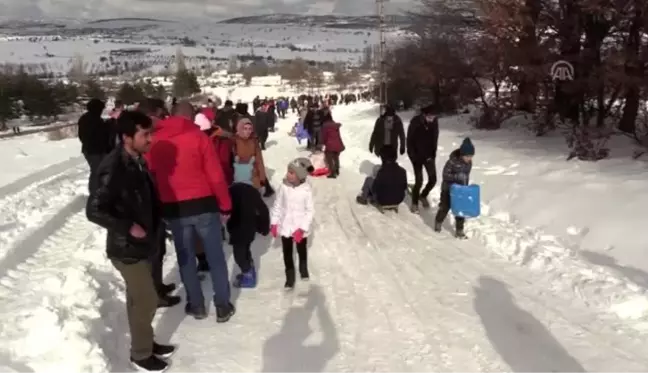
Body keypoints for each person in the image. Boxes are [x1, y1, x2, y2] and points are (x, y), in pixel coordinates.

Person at [85, 111, 175, 372]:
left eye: (150, 133)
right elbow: (94, 210)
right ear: (126, 137)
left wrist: (159, 222)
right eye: (144, 134)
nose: (150, 139)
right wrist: (127, 226)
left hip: (144, 242)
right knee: (146, 299)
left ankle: (145, 341)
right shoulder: (113, 167)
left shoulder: (136, 159)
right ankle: (141, 354)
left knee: (138, 300)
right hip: (126, 248)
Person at [145, 101, 235, 323]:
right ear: (191, 116)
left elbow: (152, 175)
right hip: (204, 204)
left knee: (186, 258)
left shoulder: (155, 140)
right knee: (215, 256)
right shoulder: (199, 137)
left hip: (175, 207)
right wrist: (225, 204)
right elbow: (215, 175)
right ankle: (222, 305)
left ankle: (196, 305)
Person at [137, 98, 180, 308]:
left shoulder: (148, 137)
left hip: (157, 202)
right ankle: (154, 295)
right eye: (161, 115)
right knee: (153, 252)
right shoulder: (142, 140)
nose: (163, 119)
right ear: (151, 115)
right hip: (148, 207)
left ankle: (158, 286)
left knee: (159, 250)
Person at [270, 158, 315, 289]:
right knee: (287, 252)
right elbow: (278, 205)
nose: (288, 174)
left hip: (300, 227)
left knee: (301, 249)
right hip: (286, 227)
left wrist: (302, 229)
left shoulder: (306, 190)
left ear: (300, 175)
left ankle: (303, 267)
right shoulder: (283, 187)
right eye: (288, 171)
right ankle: (289, 275)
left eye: (292, 172)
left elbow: (310, 211)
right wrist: (274, 223)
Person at [227, 180, 270, 288]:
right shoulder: (252, 192)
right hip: (250, 228)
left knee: (239, 256)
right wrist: (264, 227)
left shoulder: (230, 192)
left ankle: (248, 276)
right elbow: (263, 210)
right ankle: (249, 269)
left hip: (237, 228)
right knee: (245, 249)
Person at [434, 137, 474, 239]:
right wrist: (457, 177)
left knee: (461, 210)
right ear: (462, 155)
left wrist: (465, 188)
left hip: (460, 190)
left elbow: (466, 176)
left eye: (471, 156)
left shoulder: (469, 163)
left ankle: (459, 230)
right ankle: (438, 223)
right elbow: (445, 175)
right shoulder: (452, 161)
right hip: (448, 189)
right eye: (468, 156)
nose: (469, 159)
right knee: (445, 207)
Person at [406, 104, 440, 213]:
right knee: (419, 181)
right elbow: (409, 140)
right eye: (429, 117)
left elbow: (435, 138)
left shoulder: (434, 122)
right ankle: (415, 203)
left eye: (433, 117)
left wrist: (433, 154)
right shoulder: (415, 122)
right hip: (416, 156)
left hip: (429, 155)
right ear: (424, 115)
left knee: (433, 180)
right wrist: (413, 156)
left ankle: (423, 195)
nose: (432, 119)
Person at [233, 117, 275, 197]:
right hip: (240, 177)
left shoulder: (254, 141)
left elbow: (259, 160)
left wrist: (262, 177)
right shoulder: (234, 141)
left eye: (250, 129)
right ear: (240, 128)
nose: (248, 131)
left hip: (253, 176)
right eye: (245, 128)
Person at [78, 98, 113, 193]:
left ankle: (98, 190)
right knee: (97, 172)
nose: (101, 111)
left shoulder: (84, 118)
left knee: (97, 171)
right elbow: (100, 135)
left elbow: (81, 136)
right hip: (95, 151)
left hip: (89, 150)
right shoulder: (95, 120)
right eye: (101, 109)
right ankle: (95, 192)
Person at [320, 110, 345, 179]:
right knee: (336, 157)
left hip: (330, 144)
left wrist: (322, 143)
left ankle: (333, 173)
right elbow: (338, 135)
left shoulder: (325, 126)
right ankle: (337, 170)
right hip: (338, 144)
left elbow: (324, 136)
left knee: (329, 158)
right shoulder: (335, 125)